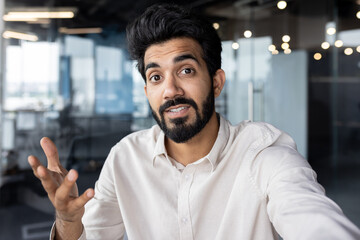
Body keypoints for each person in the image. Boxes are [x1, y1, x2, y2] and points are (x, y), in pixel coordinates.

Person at [28, 3, 360, 240]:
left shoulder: (264, 156)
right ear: (147, 91)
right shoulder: (126, 157)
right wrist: (68, 221)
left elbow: (312, 218)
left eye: (186, 70)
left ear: (216, 81)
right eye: (156, 77)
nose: (170, 90)